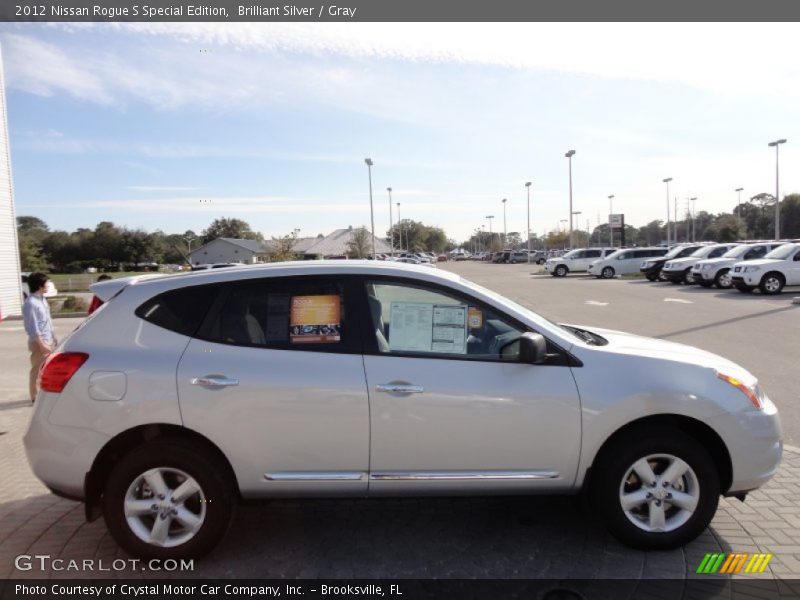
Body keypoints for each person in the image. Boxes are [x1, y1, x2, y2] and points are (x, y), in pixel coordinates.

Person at [22, 272, 57, 403]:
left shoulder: (42, 300)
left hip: (47, 340)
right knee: (37, 370)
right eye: (46, 283)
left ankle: (44, 394)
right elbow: (33, 327)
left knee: (46, 369)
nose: (48, 285)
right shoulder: (31, 303)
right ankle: (34, 397)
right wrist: (42, 344)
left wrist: (53, 337)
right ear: (40, 285)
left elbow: (48, 321)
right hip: (39, 343)